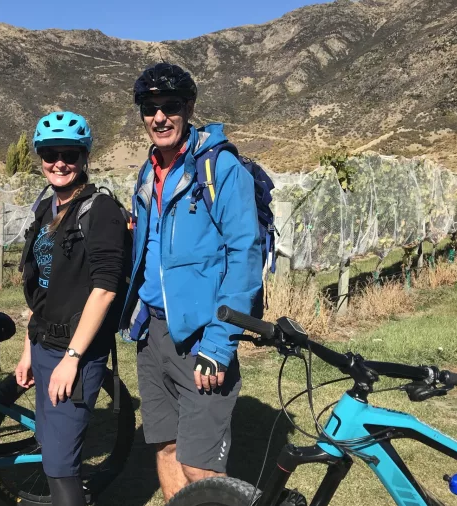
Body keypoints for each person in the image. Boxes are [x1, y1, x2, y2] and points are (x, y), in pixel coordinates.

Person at [119, 63, 263, 501]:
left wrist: (219, 345)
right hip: (154, 334)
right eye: (150, 108)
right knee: (165, 445)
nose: (159, 117)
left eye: (170, 106)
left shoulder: (221, 169)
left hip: (202, 335)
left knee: (200, 465)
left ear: (190, 108)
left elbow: (245, 257)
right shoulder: (148, 172)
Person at [14, 111, 129, 506]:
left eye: (69, 154)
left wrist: (72, 358)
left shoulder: (100, 210)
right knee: (51, 449)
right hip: (44, 345)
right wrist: (29, 349)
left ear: (84, 157)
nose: (59, 162)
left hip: (75, 352)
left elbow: (104, 290)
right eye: (49, 153)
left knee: (61, 465)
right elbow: (41, 290)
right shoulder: (46, 208)